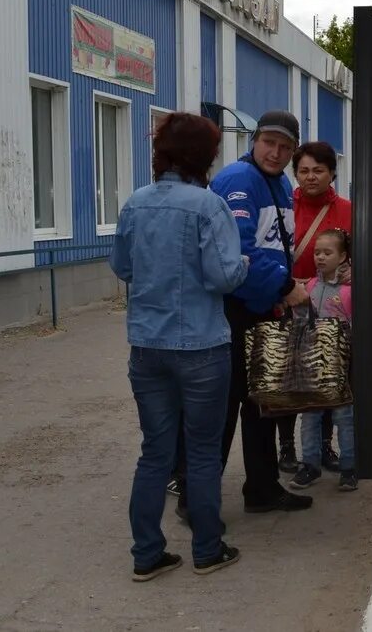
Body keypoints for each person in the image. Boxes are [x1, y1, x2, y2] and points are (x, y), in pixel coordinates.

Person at [110, 112, 246, 580]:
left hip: (147, 347)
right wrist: (244, 261)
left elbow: (123, 267)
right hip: (203, 347)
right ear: (204, 156)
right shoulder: (209, 207)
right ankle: (207, 549)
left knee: (155, 452)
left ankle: (146, 554)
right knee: (204, 451)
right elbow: (223, 276)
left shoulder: (135, 204)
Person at [207, 109, 314, 513]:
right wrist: (286, 287)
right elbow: (239, 253)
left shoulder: (280, 184)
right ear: (254, 140)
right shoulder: (238, 180)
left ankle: (263, 488)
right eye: (270, 143)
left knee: (262, 402)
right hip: (234, 310)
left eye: (285, 147)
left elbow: (276, 246)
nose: (276, 152)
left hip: (263, 308)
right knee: (227, 404)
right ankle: (197, 495)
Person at [288, 141, 353, 474]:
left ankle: (324, 448)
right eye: (303, 170)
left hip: (331, 305)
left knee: (326, 381)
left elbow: (360, 252)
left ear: (331, 173)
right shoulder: (285, 205)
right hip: (286, 301)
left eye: (318, 170)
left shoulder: (347, 209)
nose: (310, 177)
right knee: (288, 380)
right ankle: (288, 449)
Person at [289, 229, 357, 491]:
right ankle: (310, 465)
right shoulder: (311, 286)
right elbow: (300, 319)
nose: (320, 257)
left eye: (327, 253)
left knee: (344, 416)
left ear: (342, 257)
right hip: (312, 363)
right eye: (317, 252)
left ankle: (349, 467)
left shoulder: (350, 291)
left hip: (339, 364)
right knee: (309, 417)